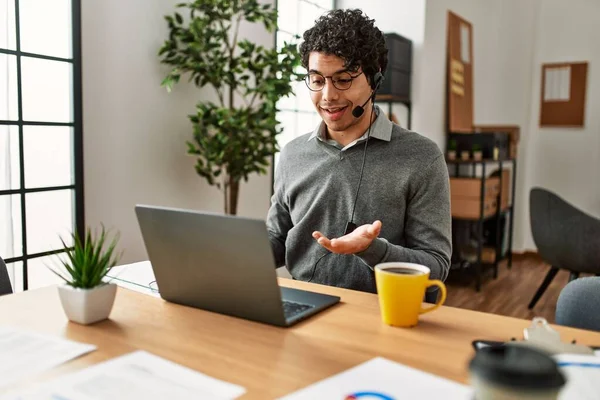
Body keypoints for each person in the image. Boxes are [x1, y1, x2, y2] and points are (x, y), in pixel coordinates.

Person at [267, 9, 451, 294]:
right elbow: (278, 240)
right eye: (317, 80)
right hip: (302, 305)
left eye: (343, 79)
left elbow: (436, 265)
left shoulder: (422, 158)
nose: (328, 96)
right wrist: (233, 252)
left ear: (375, 80)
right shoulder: (293, 154)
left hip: (383, 314)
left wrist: (373, 250)